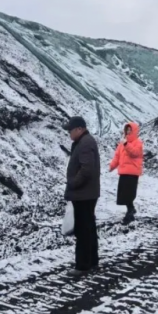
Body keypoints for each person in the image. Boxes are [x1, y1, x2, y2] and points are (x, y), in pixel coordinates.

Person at [64, 116, 101, 276]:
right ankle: (92, 262)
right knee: (89, 228)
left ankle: (82, 266)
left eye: (70, 130)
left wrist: (73, 183)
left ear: (79, 129)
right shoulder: (85, 141)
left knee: (82, 230)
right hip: (86, 193)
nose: (69, 133)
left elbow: (86, 169)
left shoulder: (85, 143)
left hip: (83, 194)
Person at [109, 122, 144, 224]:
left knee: (129, 193)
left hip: (132, 173)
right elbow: (117, 156)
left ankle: (129, 214)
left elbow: (135, 153)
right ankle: (131, 209)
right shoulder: (122, 143)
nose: (128, 132)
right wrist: (112, 166)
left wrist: (126, 144)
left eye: (130, 130)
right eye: (127, 130)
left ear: (134, 131)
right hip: (124, 172)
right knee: (124, 194)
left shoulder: (138, 143)